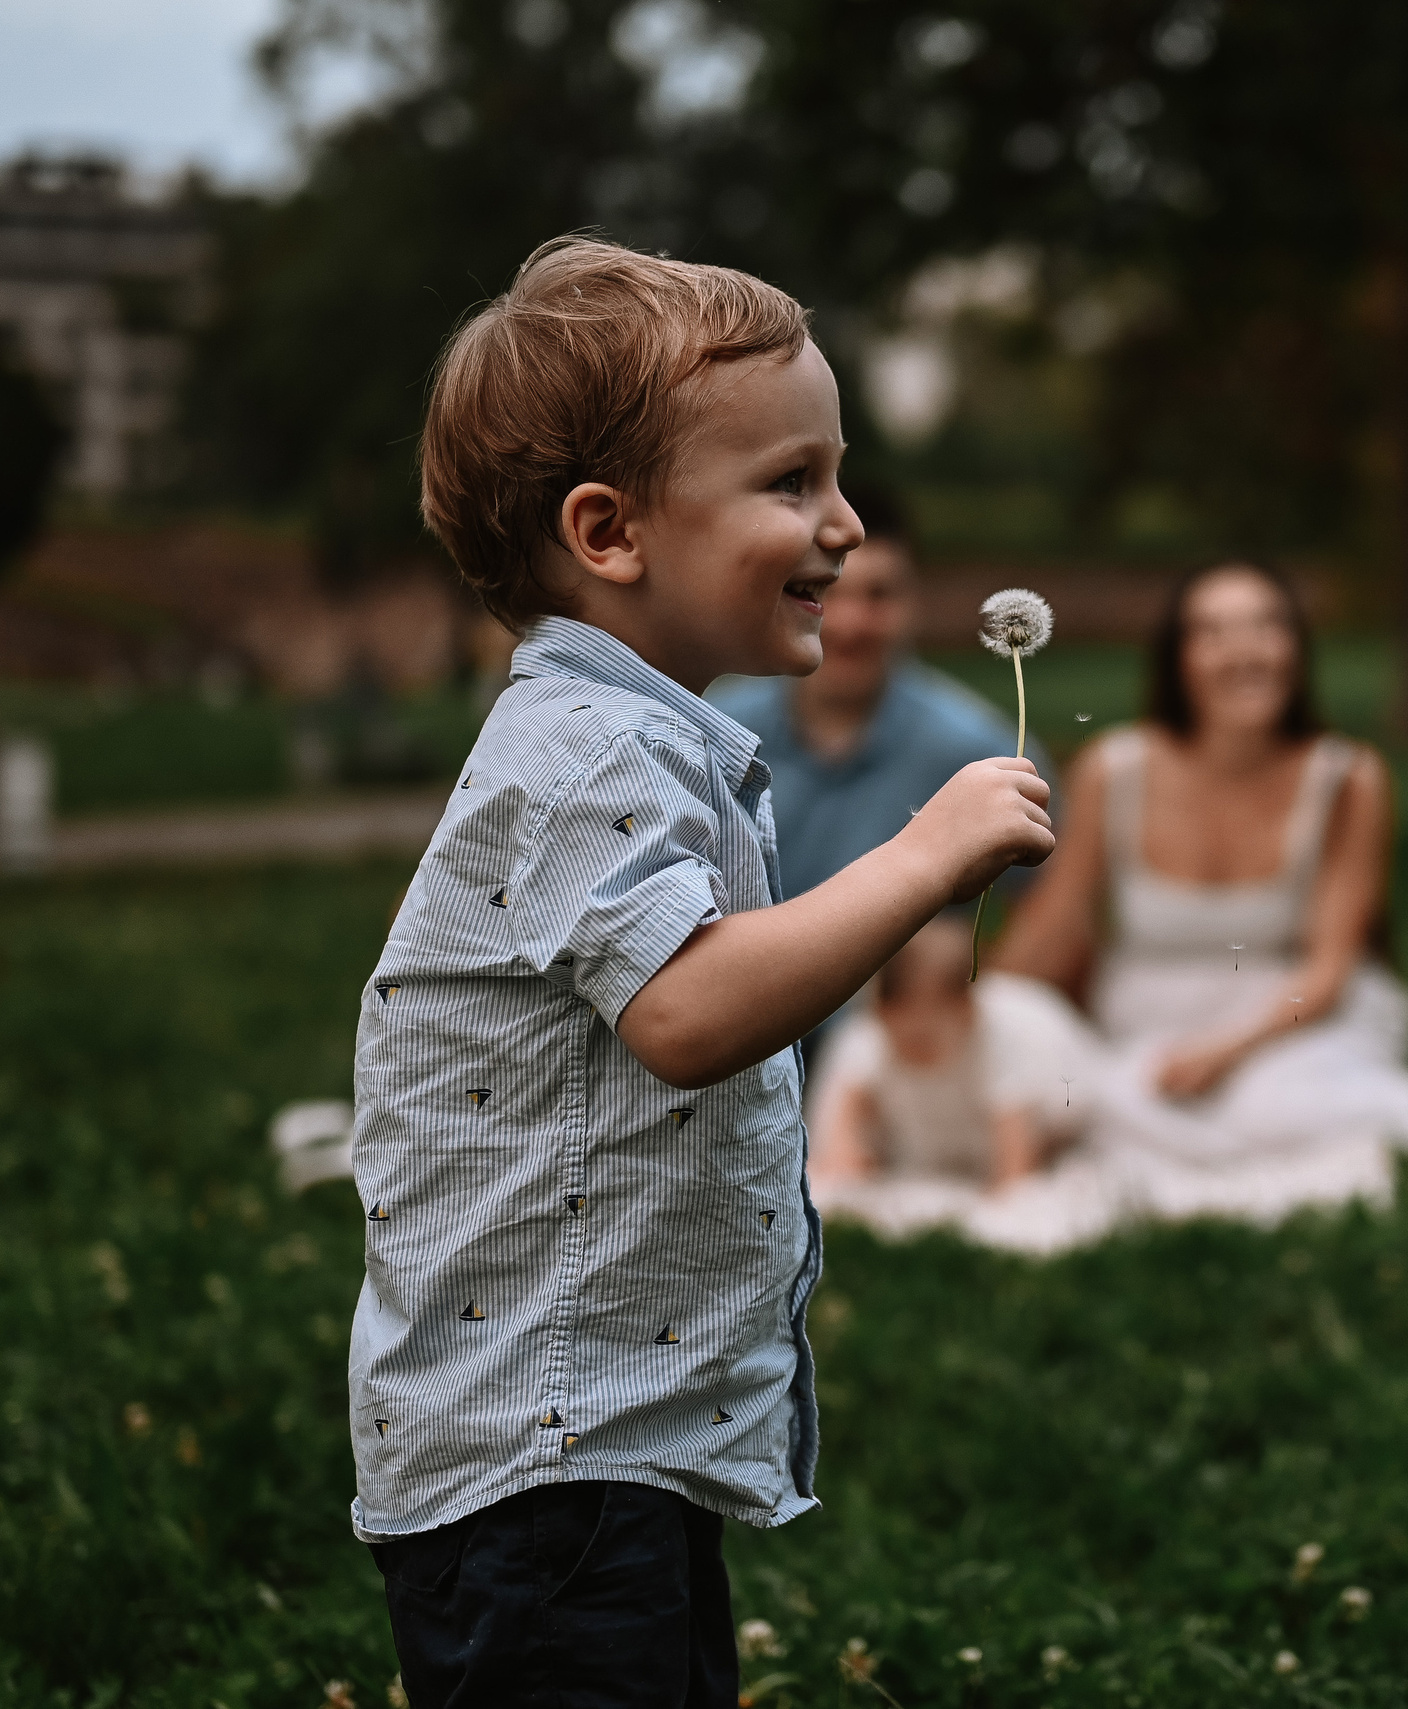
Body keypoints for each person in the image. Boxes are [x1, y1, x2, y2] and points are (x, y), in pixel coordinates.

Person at [349, 238, 1053, 1707]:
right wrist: (921, 859)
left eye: (838, 475)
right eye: (792, 483)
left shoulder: (645, 739)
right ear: (612, 533)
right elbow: (686, 1010)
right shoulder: (579, 752)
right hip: (540, 1473)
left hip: (607, 1450)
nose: (847, 525)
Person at [981, 561, 1408, 1250]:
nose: (1243, 649)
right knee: (1103, 1092)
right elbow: (1054, 925)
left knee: (1273, 1104)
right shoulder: (1112, 769)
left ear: (1296, 648)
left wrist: (1224, 1052)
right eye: (1212, 631)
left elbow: (1331, 968)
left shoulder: (1350, 778)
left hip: (1293, 1024)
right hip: (1147, 1034)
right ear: (1178, 658)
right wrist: (974, 1002)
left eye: (1265, 625)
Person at [712, 490, 1042, 903]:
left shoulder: (981, 750)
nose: (851, 624)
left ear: (916, 600)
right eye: (827, 591)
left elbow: (1057, 898)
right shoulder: (714, 734)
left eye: (880, 595)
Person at [805, 915, 1099, 1239]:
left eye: (922, 1042)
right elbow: (838, 1150)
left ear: (968, 1012)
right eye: (895, 1039)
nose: (908, 1056)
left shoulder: (1004, 1042)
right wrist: (850, 1150)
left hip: (1062, 1106)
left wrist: (1004, 1190)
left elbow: (1015, 1171)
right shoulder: (869, 1042)